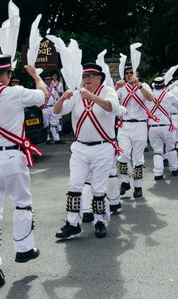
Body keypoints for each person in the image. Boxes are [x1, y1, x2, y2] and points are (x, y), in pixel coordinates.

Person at [0, 54, 48, 286]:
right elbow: (43, 96)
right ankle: (24, 249)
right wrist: (35, 76)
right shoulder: (15, 93)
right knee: (22, 202)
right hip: (10, 156)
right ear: (8, 74)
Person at [53, 63, 122, 239]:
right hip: (80, 147)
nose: (87, 79)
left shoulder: (108, 91)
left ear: (99, 78)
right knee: (74, 185)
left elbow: (112, 108)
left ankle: (99, 221)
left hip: (103, 146)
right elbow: (56, 112)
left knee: (98, 188)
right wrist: (62, 98)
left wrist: (91, 97)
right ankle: (72, 223)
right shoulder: (76, 94)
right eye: (85, 76)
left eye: (91, 75)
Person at [115, 63, 154, 198]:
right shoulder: (122, 88)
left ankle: (138, 186)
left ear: (137, 74)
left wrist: (139, 86)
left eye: (132, 72)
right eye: (127, 73)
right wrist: (115, 87)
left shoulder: (144, 86)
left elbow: (151, 98)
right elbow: (112, 102)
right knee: (123, 155)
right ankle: (125, 182)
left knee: (138, 158)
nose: (129, 75)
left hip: (140, 125)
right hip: (124, 125)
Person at [146, 76, 178, 180]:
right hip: (166, 126)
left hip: (153, 126)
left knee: (157, 150)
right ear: (164, 85)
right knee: (170, 148)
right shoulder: (168, 95)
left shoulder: (149, 96)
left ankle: (158, 173)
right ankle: (174, 168)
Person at [42, 76, 65, 144]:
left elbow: (56, 97)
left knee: (54, 123)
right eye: (46, 80)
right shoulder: (42, 88)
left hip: (52, 107)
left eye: (49, 80)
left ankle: (56, 139)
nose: (48, 81)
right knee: (46, 124)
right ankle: (47, 139)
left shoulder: (53, 89)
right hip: (45, 108)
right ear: (44, 81)